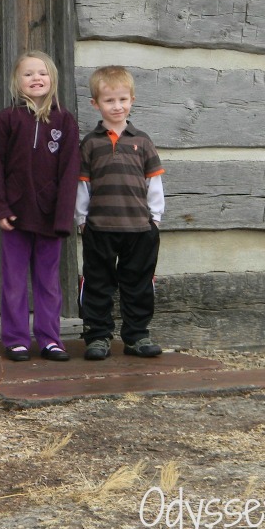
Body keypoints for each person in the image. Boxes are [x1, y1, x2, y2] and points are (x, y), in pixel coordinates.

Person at [0, 51, 80, 362]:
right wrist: (0, 209)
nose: (36, 78)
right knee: (14, 280)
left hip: (51, 217)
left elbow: (69, 172)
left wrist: (64, 216)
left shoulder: (64, 120)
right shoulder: (7, 119)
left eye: (42, 72)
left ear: (52, 78)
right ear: (17, 81)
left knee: (48, 281)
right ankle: (15, 339)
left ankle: (50, 338)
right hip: (15, 215)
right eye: (28, 74)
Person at [75, 66, 165, 360]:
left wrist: (155, 219)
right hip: (99, 228)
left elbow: (154, 183)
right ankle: (98, 336)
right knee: (98, 283)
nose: (117, 106)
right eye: (109, 101)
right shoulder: (90, 143)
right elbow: (82, 187)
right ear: (95, 104)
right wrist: (82, 220)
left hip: (139, 229)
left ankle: (137, 336)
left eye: (122, 100)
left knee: (138, 284)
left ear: (132, 100)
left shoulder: (143, 141)